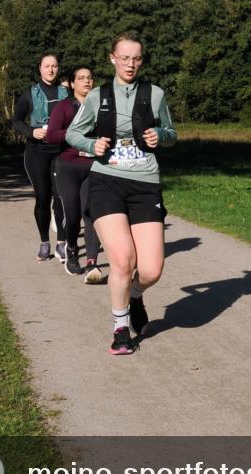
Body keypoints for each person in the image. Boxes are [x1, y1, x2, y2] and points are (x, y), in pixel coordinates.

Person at [66, 33, 177, 355]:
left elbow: (172, 133)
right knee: (122, 260)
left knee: (152, 269)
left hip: (145, 183)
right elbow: (73, 132)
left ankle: (136, 295)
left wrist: (160, 135)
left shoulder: (155, 94)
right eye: (124, 58)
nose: (130, 64)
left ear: (142, 60)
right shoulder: (97, 96)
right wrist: (92, 144)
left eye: (136, 59)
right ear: (112, 58)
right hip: (107, 181)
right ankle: (120, 329)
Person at [12, 53, 69, 262]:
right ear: (40, 68)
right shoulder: (29, 93)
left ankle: (61, 244)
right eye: (47, 66)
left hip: (61, 150)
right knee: (43, 198)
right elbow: (16, 121)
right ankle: (45, 242)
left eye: (54, 66)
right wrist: (31, 132)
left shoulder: (66, 93)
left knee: (62, 197)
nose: (51, 70)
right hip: (37, 152)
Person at [47, 66, 102, 281]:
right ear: (72, 83)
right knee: (72, 216)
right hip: (68, 167)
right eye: (81, 78)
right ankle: (71, 248)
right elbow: (51, 136)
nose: (86, 81)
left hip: (93, 166)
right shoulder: (63, 107)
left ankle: (92, 263)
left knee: (91, 213)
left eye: (89, 78)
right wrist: (74, 133)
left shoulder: (101, 106)